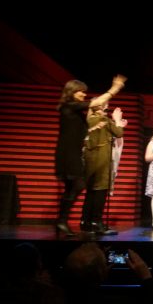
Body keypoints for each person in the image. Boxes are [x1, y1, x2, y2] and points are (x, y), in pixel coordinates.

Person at [54, 74, 126, 237]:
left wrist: (94, 128)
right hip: (68, 154)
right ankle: (62, 220)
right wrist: (115, 88)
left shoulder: (75, 111)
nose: (84, 94)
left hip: (73, 152)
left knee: (73, 188)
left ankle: (61, 221)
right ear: (72, 92)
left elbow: (82, 129)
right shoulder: (69, 106)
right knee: (77, 185)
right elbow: (96, 104)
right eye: (81, 91)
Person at [82, 101, 126, 235]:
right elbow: (119, 133)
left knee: (91, 193)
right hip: (101, 162)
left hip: (90, 162)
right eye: (105, 107)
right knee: (100, 192)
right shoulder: (103, 120)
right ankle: (97, 223)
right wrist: (117, 120)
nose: (106, 110)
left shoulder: (88, 120)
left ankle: (86, 222)